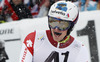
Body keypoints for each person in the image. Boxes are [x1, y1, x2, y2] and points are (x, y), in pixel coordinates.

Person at [19, 1, 89, 62]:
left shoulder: (80, 50)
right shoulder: (33, 39)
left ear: (71, 26)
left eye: (62, 25)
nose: (56, 29)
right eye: (53, 22)